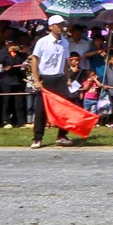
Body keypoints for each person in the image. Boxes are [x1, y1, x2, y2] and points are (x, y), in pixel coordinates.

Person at [28, 15, 77, 148]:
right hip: (46, 78)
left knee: (64, 108)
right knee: (41, 110)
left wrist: (68, 78)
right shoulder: (42, 42)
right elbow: (35, 60)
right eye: (58, 24)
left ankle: (62, 135)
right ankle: (37, 138)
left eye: (62, 24)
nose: (61, 27)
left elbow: (66, 62)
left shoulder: (65, 42)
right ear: (50, 26)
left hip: (60, 78)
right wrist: (37, 80)